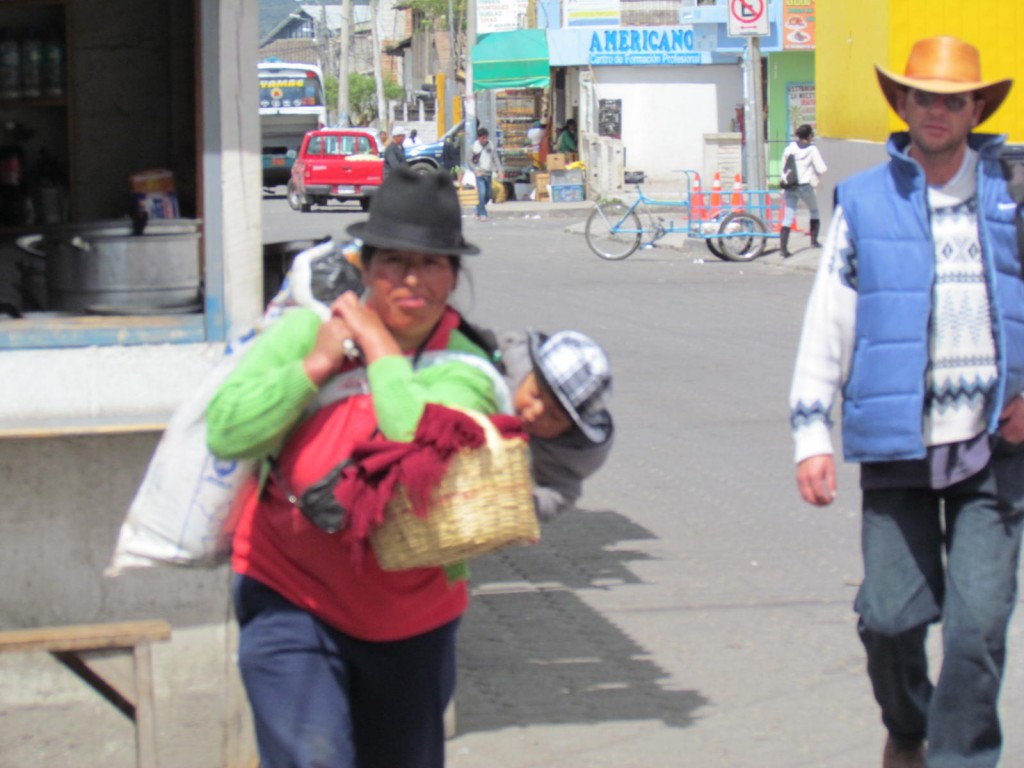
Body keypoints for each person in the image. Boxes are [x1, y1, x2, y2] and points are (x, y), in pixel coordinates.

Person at [206, 166, 502, 768]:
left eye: (431, 263)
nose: (411, 278)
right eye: (393, 261)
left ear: (453, 277)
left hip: (412, 621)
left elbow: (423, 455)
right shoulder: (307, 331)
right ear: (364, 268)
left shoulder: (465, 366)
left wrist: (378, 347)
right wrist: (314, 367)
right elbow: (227, 430)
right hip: (288, 596)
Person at [789, 36, 1024, 768]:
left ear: (976, 109)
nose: (938, 111)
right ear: (903, 104)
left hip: (995, 445)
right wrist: (811, 434)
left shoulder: (1014, 191)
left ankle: (961, 757)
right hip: (899, 444)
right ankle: (909, 723)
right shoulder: (864, 201)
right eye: (925, 97)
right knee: (890, 619)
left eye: (955, 99)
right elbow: (829, 317)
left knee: (977, 629)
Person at [498, 329, 613, 520]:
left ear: (569, 429)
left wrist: (528, 504)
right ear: (529, 374)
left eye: (554, 416)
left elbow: (560, 493)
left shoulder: (564, 454)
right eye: (535, 395)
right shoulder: (502, 370)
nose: (535, 413)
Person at [779, 123, 827, 257]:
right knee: (814, 210)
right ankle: (814, 241)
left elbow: (783, 168)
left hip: (790, 186)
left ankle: (783, 248)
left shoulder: (789, 148)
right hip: (805, 186)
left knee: (788, 216)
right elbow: (822, 168)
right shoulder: (812, 149)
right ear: (809, 136)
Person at [470, 126, 500, 221]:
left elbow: (495, 158)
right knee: (482, 194)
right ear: (479, 138)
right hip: (480, 174)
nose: (485, 140)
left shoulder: (490, 145)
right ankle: (483, 214)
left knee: (488, 194)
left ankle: (477, 209)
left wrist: (499, 170)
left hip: (488, 173)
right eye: (483, 138)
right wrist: (476, 170)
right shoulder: (474, 147)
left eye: (486, 137)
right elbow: (469, 160)